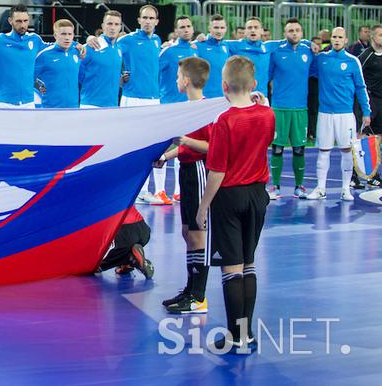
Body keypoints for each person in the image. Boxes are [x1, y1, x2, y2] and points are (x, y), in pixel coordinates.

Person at [196, 56, 275, 353]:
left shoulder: (224, 122)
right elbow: (269, 138)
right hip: (257, 194)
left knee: (232, 268)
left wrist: (203, 207)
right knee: (249, 263)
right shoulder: (267, 115)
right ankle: (247, 332)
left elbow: (216, 171)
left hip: (229, 197)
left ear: (224, 86)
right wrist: (262, 103)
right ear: (254, 84)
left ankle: (234, 336)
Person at [157, 57, 212, 315]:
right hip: (187, 170)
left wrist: (186, 141)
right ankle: (191, 290)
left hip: (200, 171)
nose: (177, 80)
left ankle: (199, 296)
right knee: (187, 233)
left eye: (179, 77)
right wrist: (166, 156)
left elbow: (212, 147)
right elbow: (185, 144)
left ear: (187, 80)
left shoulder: (205, 110)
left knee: (197, 232)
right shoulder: (189, 107)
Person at [305, 27, 372, 201]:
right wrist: (309, 45)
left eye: (340, 37)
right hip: (325, 113)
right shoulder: (321, 60)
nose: (336, 39)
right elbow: (307, 64)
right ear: (331, 39)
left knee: (346, 151)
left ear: (345, 40)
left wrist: (366, 111)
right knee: (323, 151)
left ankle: (345, 189)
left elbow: (361, 87)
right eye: (334, 36)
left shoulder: (352, 61)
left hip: (345, 115)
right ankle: (320, 188)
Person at [118, 5, 168, 204]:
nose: (148, 21)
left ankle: (143, 190)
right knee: (130, 145)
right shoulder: (126, 41)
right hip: (132, 99)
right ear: (138, 20)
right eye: (144, 18)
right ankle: (131, 191)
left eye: (151, 18)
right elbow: (109, 51)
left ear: (157, 21)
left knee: (150, 146)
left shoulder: (157, 41)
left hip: (153, 100)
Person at [267, 18, 314, 199]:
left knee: (299, 149)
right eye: (290, 31)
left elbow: (316, 71)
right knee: (277, 148)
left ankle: (299, 186)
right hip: (279, 108)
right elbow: (267, 76)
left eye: (297, 30)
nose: (294, 33)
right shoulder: (276, 52)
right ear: (285, 33)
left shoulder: (308, 51)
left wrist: (311, 44)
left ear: (302, 33)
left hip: (300, 109)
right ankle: (275, 186)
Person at [0, 6, 47, 108]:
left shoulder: (35, 40)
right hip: (3, 103)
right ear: (10, 21)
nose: (22, 25)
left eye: (25, 21)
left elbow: (54, 49)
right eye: (18, 21)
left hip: (28, 103)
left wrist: (76, 46)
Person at [94, 206, 154, 279]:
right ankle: (130, 261)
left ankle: (129, 260)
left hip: (125, 232)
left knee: (95, 267)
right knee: (125, 248)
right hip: (144, 231)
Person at [79, 10, 124, 108]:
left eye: (116, 24)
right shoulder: (91, 46)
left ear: (120, 27)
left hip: (112, 106)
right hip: (91, 105)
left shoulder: (119, 49)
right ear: (103, 26)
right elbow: (77, 72)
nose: (112, 27)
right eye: (109, 23)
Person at [34, 19, 82, 108]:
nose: (67, 37)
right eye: (63, 34)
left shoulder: (77, 52)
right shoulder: (44, 55)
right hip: (50, 108)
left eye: (69, 34)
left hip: (74, 108)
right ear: (55, 35)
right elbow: (29, 77)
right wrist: (40, 87)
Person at [195, 15, 230, 100]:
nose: (219, 31)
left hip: (224, 96)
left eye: (222, 28)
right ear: (209, 28)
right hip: (205, 97)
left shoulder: (227, 45)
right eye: (216, 27)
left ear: (226, 29)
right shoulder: (198, 45)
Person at [357, 24, 382, 138]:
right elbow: (356, 75)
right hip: (370, 100)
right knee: (363, 132)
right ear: (372, 37)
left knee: (379, 133)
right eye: (380, 35)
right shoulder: (365, 56)